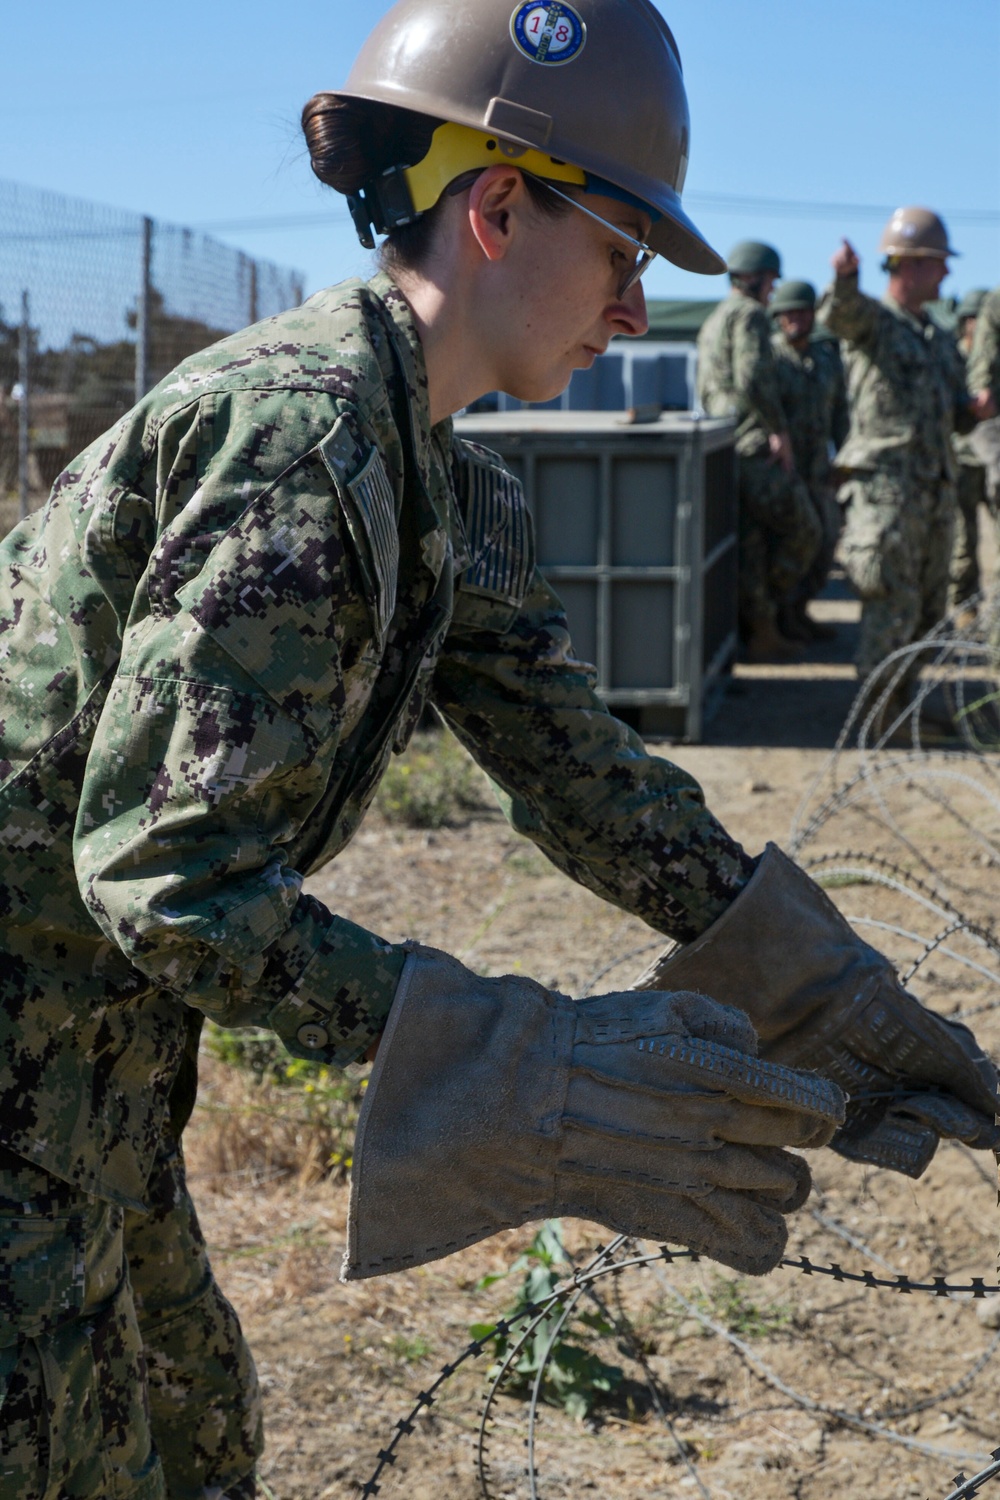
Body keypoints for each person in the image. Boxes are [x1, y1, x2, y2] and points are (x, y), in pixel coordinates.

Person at [1, 7, 996, 1498]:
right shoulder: (301, 441)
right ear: (498, 205)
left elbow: (583, 773)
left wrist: (822, 991)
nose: (629, 307)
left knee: (197, 1434)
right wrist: (532, 1059)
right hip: (36, 1051)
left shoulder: (437, 477)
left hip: (93, 1072)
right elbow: (165, 877)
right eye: (620, 254)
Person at [817, 210, 976, 701]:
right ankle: (874, 721)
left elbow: (954, 414)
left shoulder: (937, 336)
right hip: (888, 495)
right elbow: (840, 315)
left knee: (928, 611)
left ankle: (902, 706)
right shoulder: (876, 323)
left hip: (933, 493)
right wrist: (844, 279)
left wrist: (976, 409)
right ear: (909, 265)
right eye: (938, 263)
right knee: (891, 608)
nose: (947, 272)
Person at [697, 241, 821, 661]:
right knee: (807, 530)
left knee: (750, 545)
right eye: (771, 281)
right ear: (755, 277)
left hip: (726, 445)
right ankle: (771, 612)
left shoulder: (714, 320)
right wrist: (778, 430)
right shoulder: (748, 315)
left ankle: (762, 627)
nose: (773, 291)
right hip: (754, 446)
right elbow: (751, 378)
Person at [770, 278, 849, 639]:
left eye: (803, 312)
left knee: (826, 543)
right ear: (778, 316)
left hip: (818, 470)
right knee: (792, 545)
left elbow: (840, 416)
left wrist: (843, 458)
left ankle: (800, 611)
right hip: (782, 473)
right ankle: (779, 617)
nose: (796, 319)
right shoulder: (770, 357)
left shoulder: (826, 361)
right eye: (789, 313)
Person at [948, 288, 990, 625]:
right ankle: (965, 605)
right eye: (972, 318)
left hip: (992, 462)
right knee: (963, 542)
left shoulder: (994, 363)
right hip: (961, 459)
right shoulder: (952, 358)